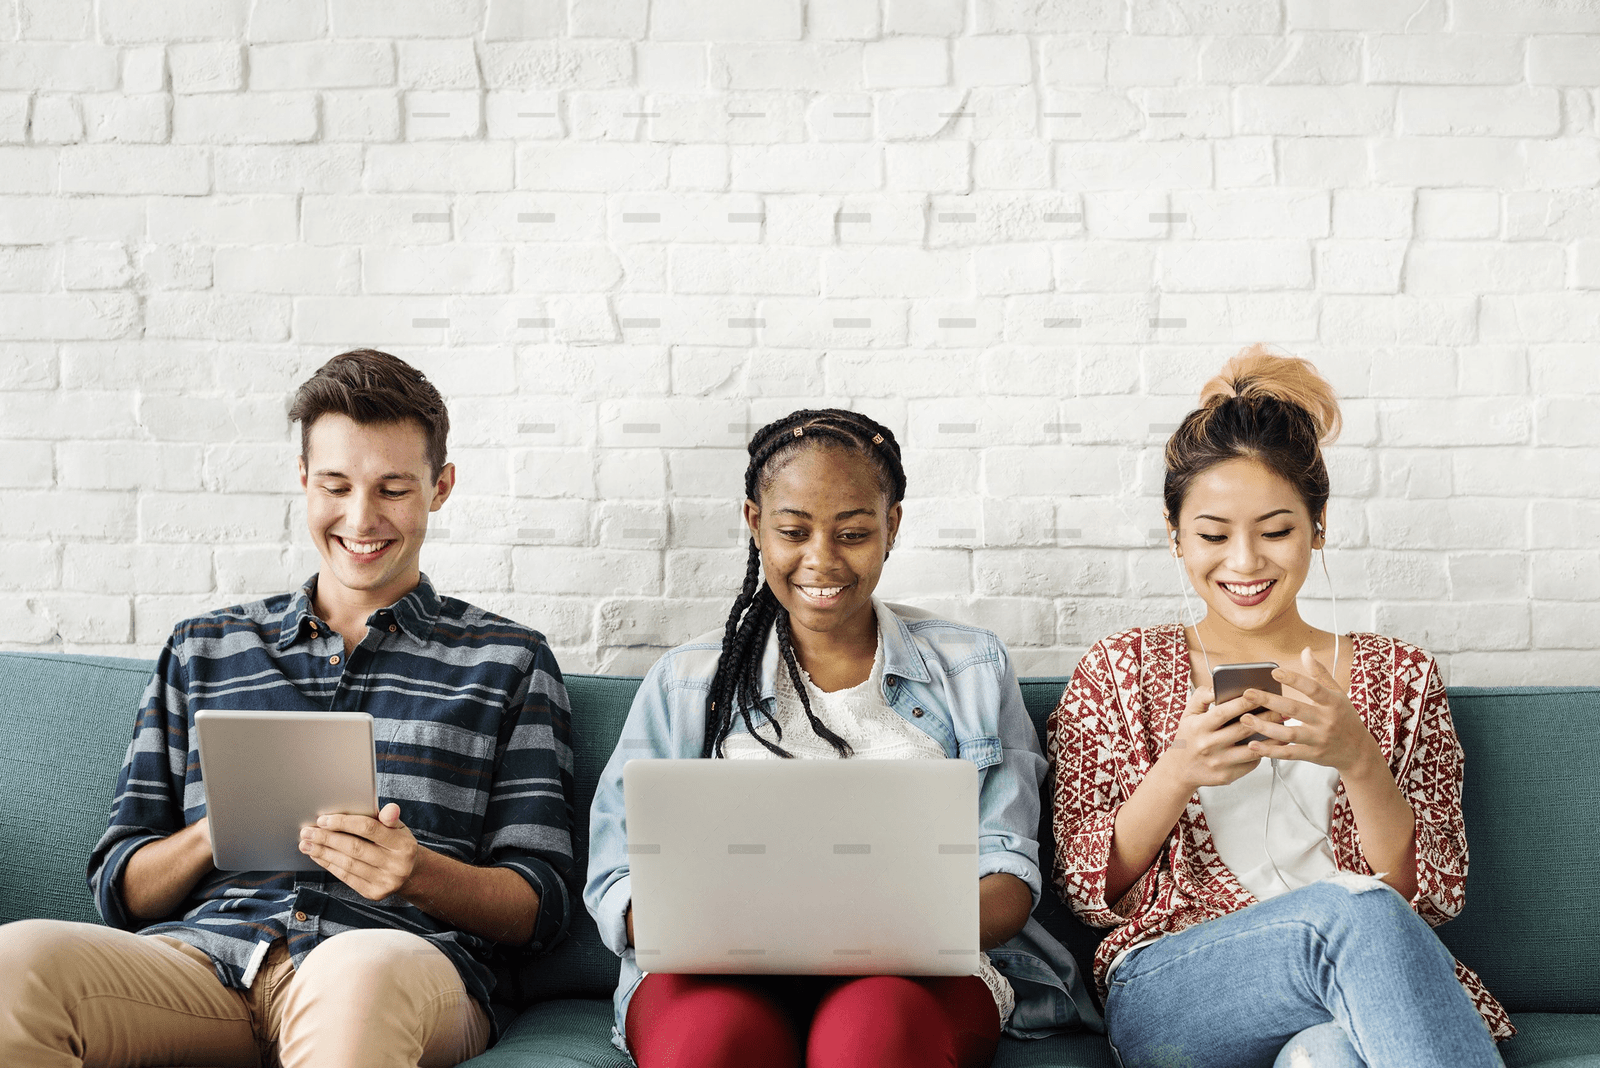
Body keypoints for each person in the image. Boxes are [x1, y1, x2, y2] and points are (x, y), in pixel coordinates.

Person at [0, 349, 575, 1068]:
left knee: (353, 975)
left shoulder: (508, 661)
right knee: (14, 960)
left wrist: (416, 872)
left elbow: (541, 904)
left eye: (393, 489)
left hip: (396, 964)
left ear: (441, 487)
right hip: (207, 965)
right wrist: (220, 830)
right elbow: (122, 885)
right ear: (304, 480)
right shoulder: (202, 649)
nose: (360, 519)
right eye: (335, 485)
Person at [585, 408, 1099, 1068]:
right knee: (709, 1044)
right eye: (793, 531)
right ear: (754, 525)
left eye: (852, 532)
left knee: (872, 1038)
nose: (821, 560)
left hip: (918, 978)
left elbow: (1007, 872)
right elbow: (617, 875)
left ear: (892, 527)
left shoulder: (972, 670)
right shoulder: (687, 682)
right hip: (718, 975)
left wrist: (881, 933)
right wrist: (707, 928)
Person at [1049, 349, 1512, 1068]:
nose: (1244, 562)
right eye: (1212, 534)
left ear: (1316, 527)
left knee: (1328, 1053)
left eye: (1275, 531)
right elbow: (1085, 889)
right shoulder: (1119, 671)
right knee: (1350, 913)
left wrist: (1360, 759)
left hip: (1367, 985)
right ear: (1175, 536)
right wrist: (1177, 771)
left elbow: (1434, 895)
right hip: (1175, 991)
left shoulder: (1401, 677)